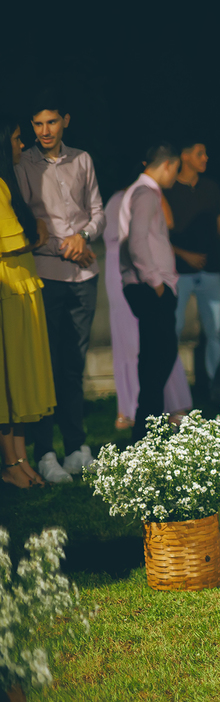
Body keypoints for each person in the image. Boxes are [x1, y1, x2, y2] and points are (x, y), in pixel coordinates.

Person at [14, 94, 104, 483]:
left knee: (73, 365)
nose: (44, 131)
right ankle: (45, 453)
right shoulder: (23, 164)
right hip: (47, 274)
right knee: (45, 366)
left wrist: (84, 237)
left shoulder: (82, 159)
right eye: (37, 124)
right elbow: (26, 222)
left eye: (51, 122)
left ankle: (76, 448)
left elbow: (97, 212)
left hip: (84, 276)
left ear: (65, 120)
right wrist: (68, 246)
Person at [104, 187, 191, 430]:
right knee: (136, 341)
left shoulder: (138, 196)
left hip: (130, 269)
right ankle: (132, 408)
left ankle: (159, 406)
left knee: (153, 341)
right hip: (132, 270)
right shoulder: (138, 197)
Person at [0, 114, 54, 489]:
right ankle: (11, 463)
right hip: (8, 290)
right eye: (17, 138)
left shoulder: (7, 182)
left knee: (18, 379)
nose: (22, 144)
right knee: (9, 380)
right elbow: (14, 242)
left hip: (20, 288)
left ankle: (21, 459)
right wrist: (40, 233)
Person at [118, 144, 181, 443]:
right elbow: (137, 241)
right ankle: (147, 431)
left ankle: (148, 430)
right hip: (149, 286)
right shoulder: (145, 193)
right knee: (159, 357)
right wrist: (156, 282)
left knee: (157, 357)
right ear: (167, 165)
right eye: (176, 169)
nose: (175, 176)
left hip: (148, 285)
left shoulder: (142, 192)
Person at [163, 140, 220, 400]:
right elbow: (159, 234)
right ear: (185, 156)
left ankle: (216, 386)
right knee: (174, 328)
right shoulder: (168, 189)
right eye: (200, 153)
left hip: (211, 270)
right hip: (179, 272)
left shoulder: (211, 187)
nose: (205, 158)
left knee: (215, 330)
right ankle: (173, 389)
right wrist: (184, 255)